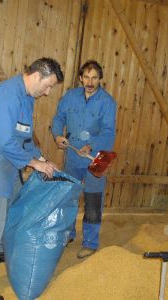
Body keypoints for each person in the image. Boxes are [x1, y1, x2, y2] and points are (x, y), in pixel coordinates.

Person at [0, 58, 64, 300]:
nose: (48, 92)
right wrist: (34, 164)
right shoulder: (8, 96)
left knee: (14, 210)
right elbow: (4, 141)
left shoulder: (27, 99)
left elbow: (24, 136)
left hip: (9, 166)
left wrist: (40, 157)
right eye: (48, 85)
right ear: (37, 76)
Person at [52, 60, 116, 259]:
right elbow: (58, 118)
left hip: (96, 157)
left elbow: (108, 132)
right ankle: (68, 235)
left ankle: (90, 242)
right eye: (86, 77)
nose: (90, 81)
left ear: (100, 79)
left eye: (94, 77)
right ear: (80, 78)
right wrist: (57, 135)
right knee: (69, 196)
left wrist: (91, 145)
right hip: (72, 156)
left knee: (93, 201)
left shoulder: (107, 102)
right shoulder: (70, 97)